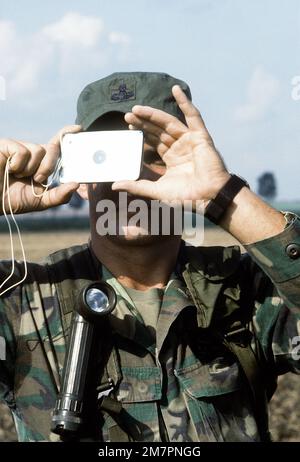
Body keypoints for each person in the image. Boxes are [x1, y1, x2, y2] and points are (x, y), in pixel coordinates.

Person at [0, 72, 299, 442]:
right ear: (81, 174)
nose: (131, 179)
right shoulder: (23, 304)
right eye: (107, 158)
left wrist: (223, 195)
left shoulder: (243, 295)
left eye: (153, 156)